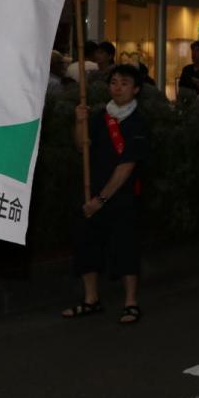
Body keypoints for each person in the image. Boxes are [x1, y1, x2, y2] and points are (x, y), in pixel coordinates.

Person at [62, 64, 149, 325]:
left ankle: (131, 302)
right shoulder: (100, 116)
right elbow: (81, 147)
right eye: (114, 82)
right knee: (86, 243)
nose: (118, 87)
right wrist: (80, 122)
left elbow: (126, 167)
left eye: (124, 83)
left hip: (122, 196)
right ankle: (91, 299)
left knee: (125, 247)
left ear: (135, 89)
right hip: (93, 191)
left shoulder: (139, 122)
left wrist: (101, 200)